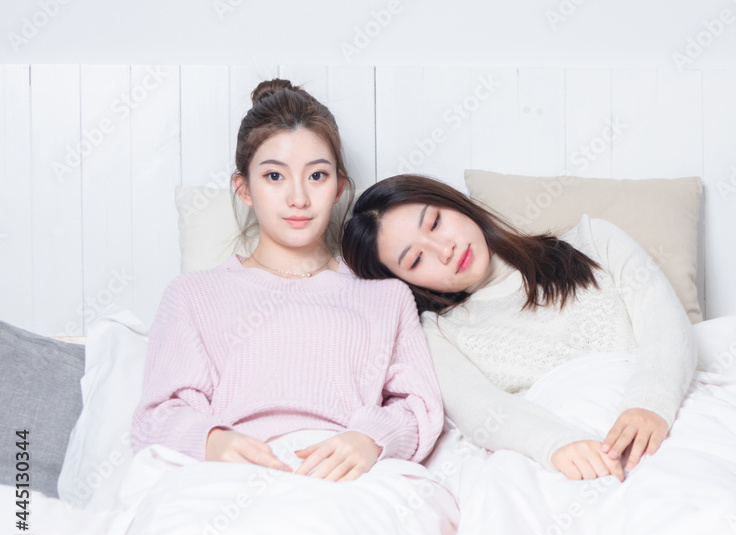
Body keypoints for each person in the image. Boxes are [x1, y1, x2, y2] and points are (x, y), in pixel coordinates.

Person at [131, 80, 443, 482]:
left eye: (317, 176)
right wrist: (210, 440)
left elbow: (418, 406)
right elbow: (156, 416)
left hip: (351, 482)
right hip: (232, 478)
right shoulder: (192, 295)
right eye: (275, 177)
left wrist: (371, 440)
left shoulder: (385, 296)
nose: (298, 198)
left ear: (338, 188)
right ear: (244, 189)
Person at [340, 174, 695, 482]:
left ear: (455, 204)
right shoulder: (438, 333)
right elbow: (480, 407)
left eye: (434, 223)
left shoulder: (596, 241)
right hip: (563, 460)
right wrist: (557, 445)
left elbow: (663, 320)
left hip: (667, 419)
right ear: (406, 282)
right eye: (416, 260)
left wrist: (650, 404)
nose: (443, 250)